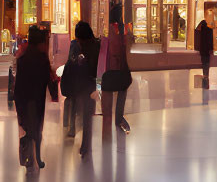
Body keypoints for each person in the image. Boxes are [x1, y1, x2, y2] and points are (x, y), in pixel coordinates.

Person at [13, 25, 58, 172]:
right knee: (37, 129)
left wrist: (16, 99)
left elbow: (18, 82)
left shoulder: (23, 59)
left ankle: (29, 158)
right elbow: (48, 79)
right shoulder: (42, 59)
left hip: (24, 98)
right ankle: (37, 157)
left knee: (27, 128)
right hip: (37, 98)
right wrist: (54, 95)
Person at [61, 21, 99, 157]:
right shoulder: (94, 46)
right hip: (87, 85)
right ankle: (85, 144)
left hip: (84, 84)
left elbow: (72, 63)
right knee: (86, 115)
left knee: (84, 113)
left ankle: (83, 142)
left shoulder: (80, 46)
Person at [102, 14, 132, 132]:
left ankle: (117, 120)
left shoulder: (109, 36)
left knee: (119, 93)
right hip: (116, 71)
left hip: (111, 72)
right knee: (121, 92)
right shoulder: (118, 35)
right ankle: (118, 119)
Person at [195, 18, 214, 89]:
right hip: (207, 49)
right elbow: (210, 40)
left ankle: (205, 76)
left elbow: (196, 30)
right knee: (206, 63)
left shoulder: (200, 31)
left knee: (204, 63)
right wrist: (211, 48)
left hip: (202, 49)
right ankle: (206, 76)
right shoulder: (209, 30)